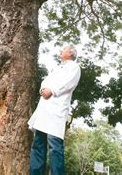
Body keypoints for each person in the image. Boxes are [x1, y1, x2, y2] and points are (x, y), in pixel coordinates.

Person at [28, 44, 81, 175]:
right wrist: (43, 89)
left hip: (57, 109)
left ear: (70, 53)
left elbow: (68, 83)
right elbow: (45, 81)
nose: (61, 52)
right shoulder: (57, 68)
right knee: (38, 144)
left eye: (63, 50)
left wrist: (52, 91)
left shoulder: (74, 67)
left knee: (54, 147)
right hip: (44, 109)